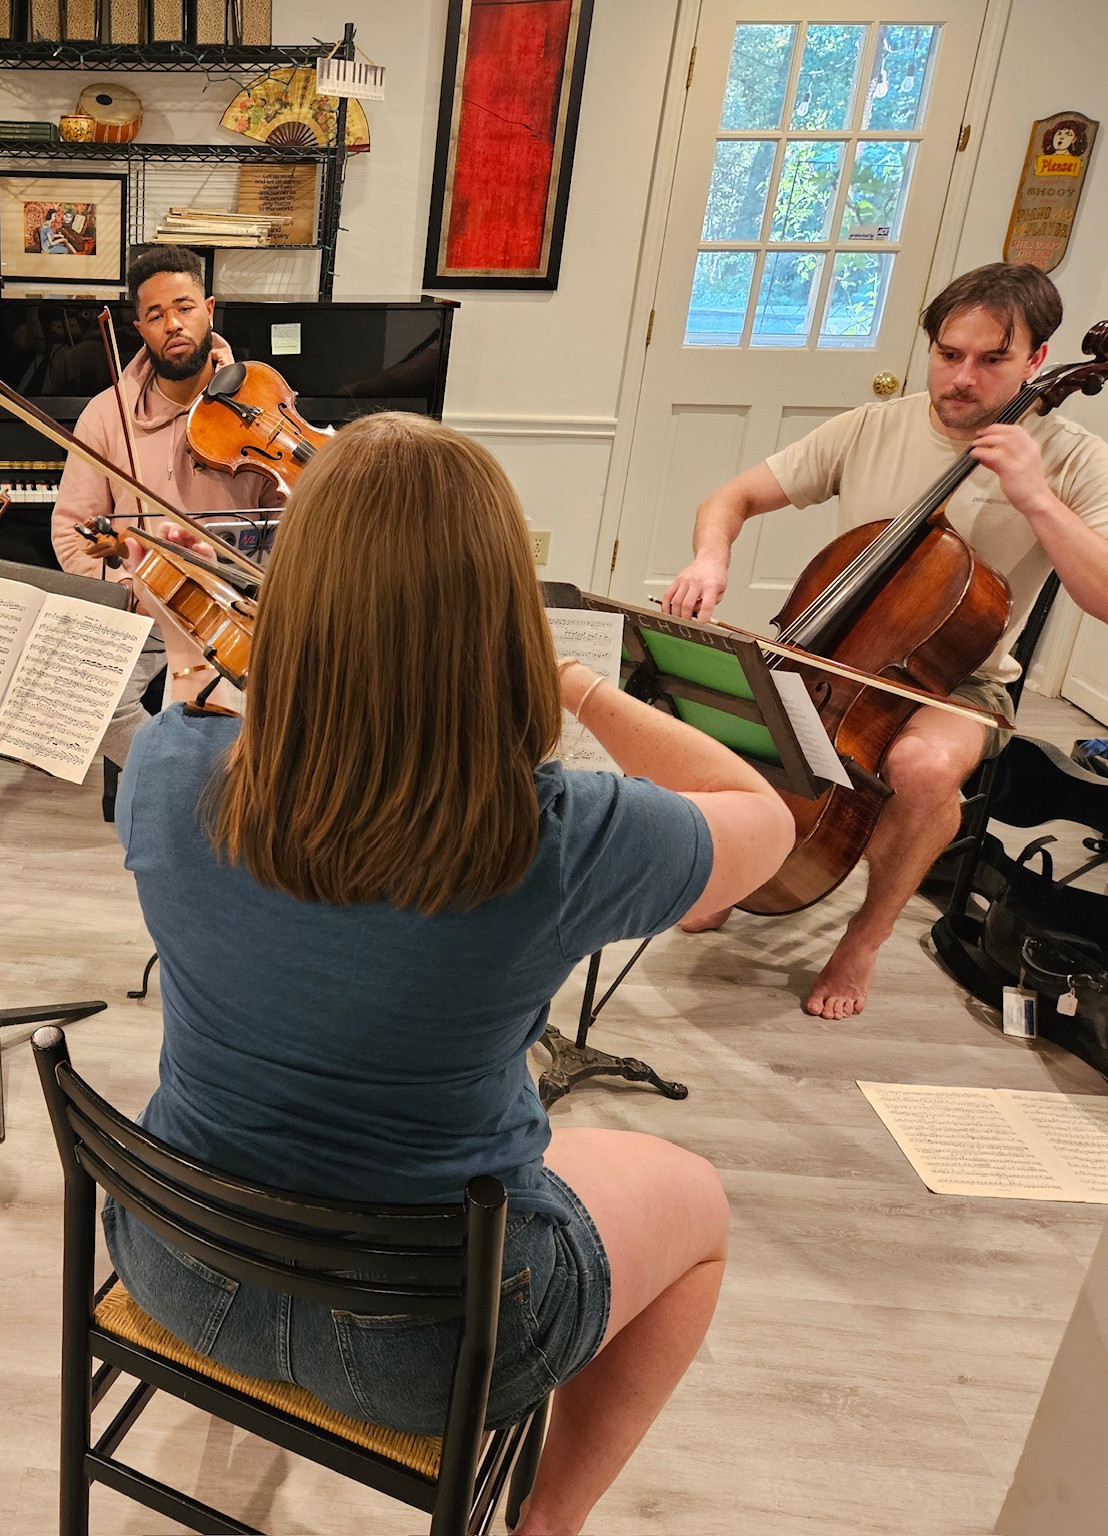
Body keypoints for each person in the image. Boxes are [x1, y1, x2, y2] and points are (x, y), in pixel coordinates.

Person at [109, 413, 796, 1534]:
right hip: (427, 1350)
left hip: (178, 1267)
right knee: (696, 1207)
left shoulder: (170, 763)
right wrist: (573, 686)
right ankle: (547, 1523)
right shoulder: (558, 834)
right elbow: (765, 825)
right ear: (495, 611)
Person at [664, 262, 1108, 1019]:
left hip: (959, 678)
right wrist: (710, 554)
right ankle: (736, 870)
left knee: (923, 769)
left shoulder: (1069, 457)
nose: (962, 378)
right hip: (831, 649)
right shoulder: (874, 425)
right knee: (739, 712)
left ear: (1035, 361)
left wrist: (1035, 498)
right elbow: (731, 497)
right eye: (948, 354)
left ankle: (863, 937)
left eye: (992, 359)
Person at [50, 244, 287, 765]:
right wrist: (127, 592)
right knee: (91, 705)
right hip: (148, 603)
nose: (172, 324)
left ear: (209, 309)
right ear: (140, 329)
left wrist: (260, 586)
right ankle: (170, 778)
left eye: (183, 307)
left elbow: (291, 516)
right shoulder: (105, 415)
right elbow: (71, 530)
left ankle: (239, 795)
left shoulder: (259, 401)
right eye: (156, 315)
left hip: (238, 600)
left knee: (287, 704)